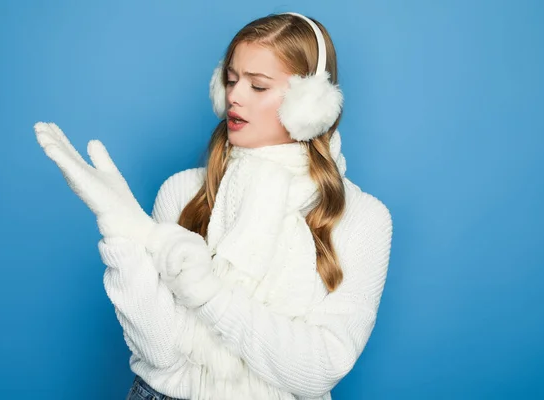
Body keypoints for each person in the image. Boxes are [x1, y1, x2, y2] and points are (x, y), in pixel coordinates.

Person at [34, 11, 393, 400]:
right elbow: (160, 352)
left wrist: (209, 294)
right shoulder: (183, 191)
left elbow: (319, 369)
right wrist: (123, 235)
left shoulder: (363, 219)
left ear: (311, 103)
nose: (234, 96)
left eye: (258, 86)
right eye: (232, 79)